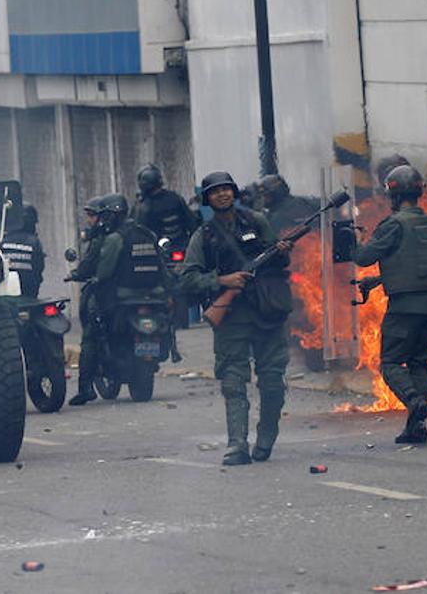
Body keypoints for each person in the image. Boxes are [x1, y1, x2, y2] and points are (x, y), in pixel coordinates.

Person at [180, 172, 294, 466]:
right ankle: (237, 444)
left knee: (272, 381)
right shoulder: (202, 236)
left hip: (266, 311)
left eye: (226, 189)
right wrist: (223, 281)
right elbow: (188, 279)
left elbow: (278, 260)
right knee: (233, 381)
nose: (222, 195)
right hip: (231, 317)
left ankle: (266, 436)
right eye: (215, 191)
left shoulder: (256, 222)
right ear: (208, 198)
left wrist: (282, 252)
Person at [352, 165, 427, 445]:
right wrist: (379, 280)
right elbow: (412, 264)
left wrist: (355, 240)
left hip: (404, 308)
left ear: (391, 194)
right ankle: (416, 427)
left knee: (391, 362)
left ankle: (414, 401)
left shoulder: (394, 224)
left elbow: (364, 257)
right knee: (420, 362)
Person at [67, 195, 153, 406]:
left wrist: (90, 278)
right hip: (151, 294)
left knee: (89, 336)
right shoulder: (145, 233)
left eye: (94, 215)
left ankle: (85, 387)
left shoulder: (112, 238)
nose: (91, 220)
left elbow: (102, 271)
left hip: (119, 296)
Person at [132, 165, 198, 361]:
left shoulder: (144, 206)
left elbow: (138, 230)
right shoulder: (175, 198)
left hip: (155, 253)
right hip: (179, 247)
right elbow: (191, 221)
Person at [0, 204, 46, 300]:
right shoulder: (34, 242)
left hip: (5, 296)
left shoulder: (0, 241)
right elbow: (39, 267)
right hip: (29, 293)